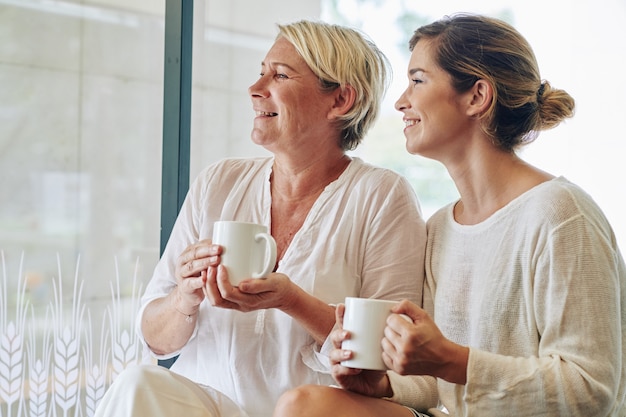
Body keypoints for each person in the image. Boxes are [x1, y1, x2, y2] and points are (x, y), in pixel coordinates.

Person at [273, 13, 626, 417]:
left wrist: (450, 360)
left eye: (418, 80)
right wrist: (385, 383)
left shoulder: (561, 214)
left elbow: (590, 389)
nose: (401, 101)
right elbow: (436, 385)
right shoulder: (441, 228)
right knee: (304, 405)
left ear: (477, 96)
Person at [93, 20, 427, 417]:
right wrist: (184, 297)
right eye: (261, 71)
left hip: (305, 410)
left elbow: (384, 359)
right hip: (206, 405)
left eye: (280, 75)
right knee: (137, 383)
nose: (255, 89)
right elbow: (157, 339)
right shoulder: (219, 182)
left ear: (340, 100)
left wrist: (292, 300)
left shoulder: (382, 196)